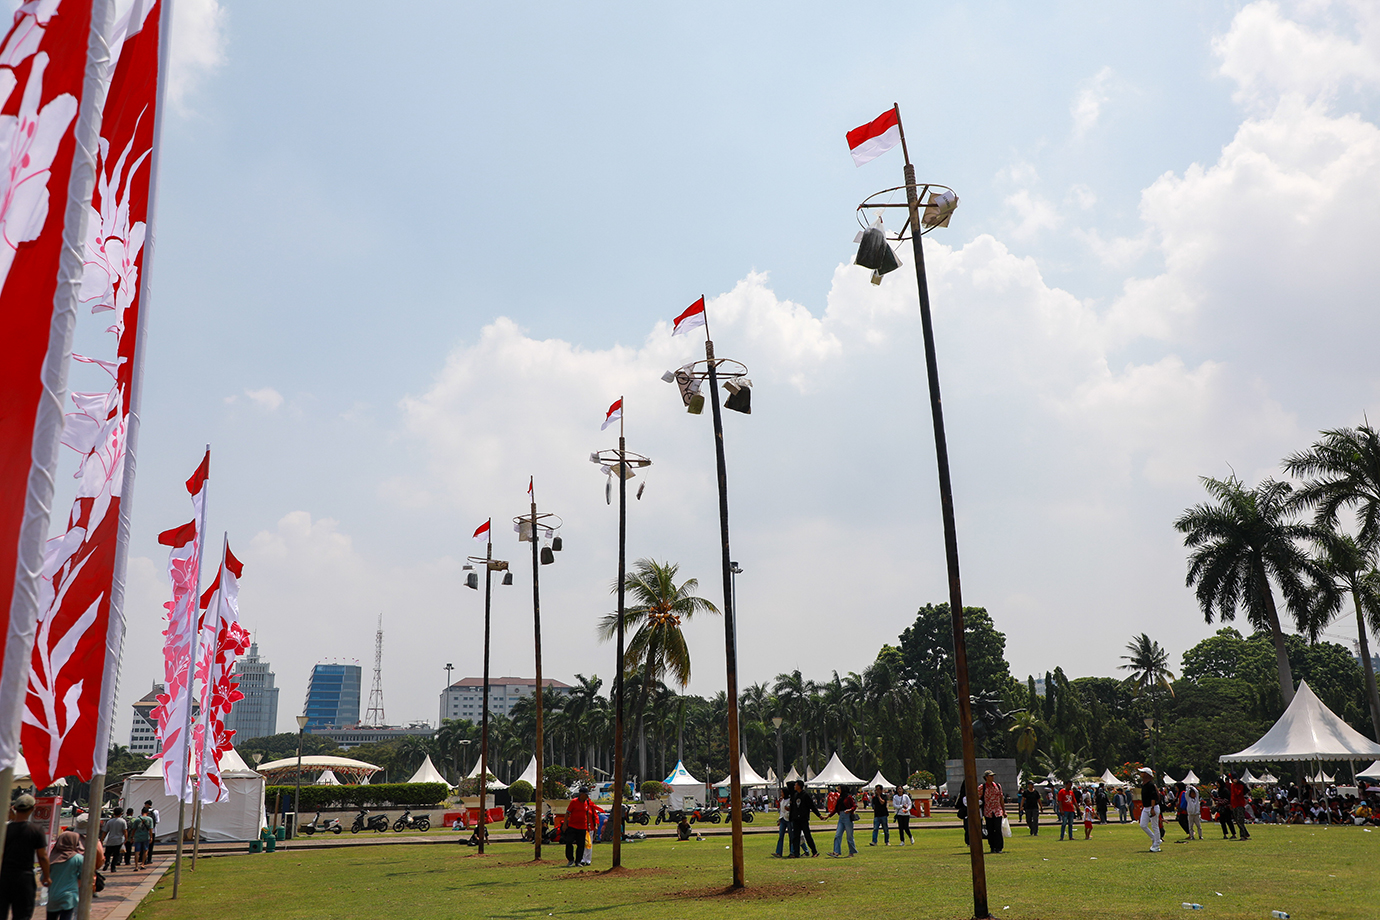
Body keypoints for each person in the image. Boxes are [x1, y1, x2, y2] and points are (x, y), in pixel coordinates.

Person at [1, 795, 51, 920]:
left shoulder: (4, 830)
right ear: (32, 809)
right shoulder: (35, 829)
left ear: (14, 808)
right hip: (24, 877)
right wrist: (46, 876)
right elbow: (42, 856)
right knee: (22, 915)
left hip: (4, 876)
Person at [45, 830, 101, 920]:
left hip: (53, 896)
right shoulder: (77, 858)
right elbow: (84, 876)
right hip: (69, 896)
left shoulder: (52, 858)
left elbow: (44, 878)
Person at [563, 787, 601, 868]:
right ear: (581, 794)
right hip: (572, 826)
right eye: (586, 795)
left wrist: (588, 825)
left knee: (581, 845)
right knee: (569, 842)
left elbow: (587, 814)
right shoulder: (574, 802)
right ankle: (570, 859)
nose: (587, 796)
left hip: (582, 827)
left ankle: (578, 861)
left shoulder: (587, 802)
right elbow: (567, 813)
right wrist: (565, 824)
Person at [788, 780, 823, 858]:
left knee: (807, 836)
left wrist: (819, 815)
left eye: (796, 785)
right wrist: (791, 818)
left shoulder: (805, 795)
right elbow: (793, 808)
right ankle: (796, 853)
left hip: (803, 819)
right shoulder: (795, 795)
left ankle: (814, 852)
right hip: (796, 819)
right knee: (796, 837)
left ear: (799, 786)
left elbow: (812, 806)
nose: (794, 786)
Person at [978, 770, 1005, 854]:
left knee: (998, 829)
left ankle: (999, 847)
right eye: (991, 776)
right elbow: (977, 798)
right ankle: (992, 847)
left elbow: (1001, 798)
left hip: (997, 810)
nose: (992, 777)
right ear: (986, 777)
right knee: (990, 829)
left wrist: (1004, 810)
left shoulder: (997, 786)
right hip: (988, 811)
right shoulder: (982, 787)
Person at [829, 785, 858, 857]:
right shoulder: (840, 797)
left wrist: (850, 810)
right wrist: (828, 816)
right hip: (841, 817)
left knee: (849, 836)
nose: (838, 790)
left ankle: (852, 852)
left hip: (847, 817)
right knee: (838, 835)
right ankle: (836, 852)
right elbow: (836, 809)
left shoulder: (849, 797)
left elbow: (854, 806)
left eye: (839, 788)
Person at [1138, 767, 1161, 852]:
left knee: (1155, 826)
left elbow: (1153, 797)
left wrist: (1152, 808)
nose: (1141, 774)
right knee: (1143, 825)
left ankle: (1156, 845)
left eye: (1142, 772)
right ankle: (1155, 839)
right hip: (1146, 807)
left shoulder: (1150, 785)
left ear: (1146, 774)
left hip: (1153, 807)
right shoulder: (1143, 784)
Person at [1228, 774, 1251, 840]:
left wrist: (1238, 782)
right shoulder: (1232, 785)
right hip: (1234, 804)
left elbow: (1239, 792)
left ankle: (1242, 835)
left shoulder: (1240, 785)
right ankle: (1245, 834)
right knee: (1237, 821)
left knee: (1240, 820)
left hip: (1240, 804)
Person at [772, 788, 790, 857]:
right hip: (783, 819)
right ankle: (778, 852)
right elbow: (781, 811)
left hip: (788, 819)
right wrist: (779, 820)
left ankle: (803, 850)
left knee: (792, 836)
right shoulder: (782, 800)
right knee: (780, 836)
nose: (781, 794)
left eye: (782, 792)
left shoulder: (789, 800)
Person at [142, 800, 159, 865]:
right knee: (151, 846)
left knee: (144, 846)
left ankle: (143, 859)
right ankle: (149, 859)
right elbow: (157, 821)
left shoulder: (144, 811)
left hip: (145, 831)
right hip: (153, 830)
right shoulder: (156, 811)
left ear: (146, 804)